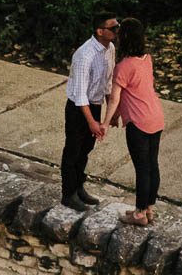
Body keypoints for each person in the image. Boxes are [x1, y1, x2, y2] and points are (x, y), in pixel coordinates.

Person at [104, 18, 164, 226]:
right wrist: (116, 116)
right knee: (152, 164)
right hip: (156, 117)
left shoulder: (123, 67)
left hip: (139, 123)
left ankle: (139, 214)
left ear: (125, 38)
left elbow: (115, 98)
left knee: (142, 168)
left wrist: (106, 121)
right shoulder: (147, 59)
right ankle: (149, 209)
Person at [60, 13, 118, 209]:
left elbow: (108, 83)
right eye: (113, 28)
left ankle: (78, 187)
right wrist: (92, 122)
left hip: (94, 105)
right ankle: (68, 193)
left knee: (86, 150)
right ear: (100, 31)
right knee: (73, 150)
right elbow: (80, 94)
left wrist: (109, 114)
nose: (117, 31)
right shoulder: (85, 55)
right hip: (79, 108)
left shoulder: (110, 48)